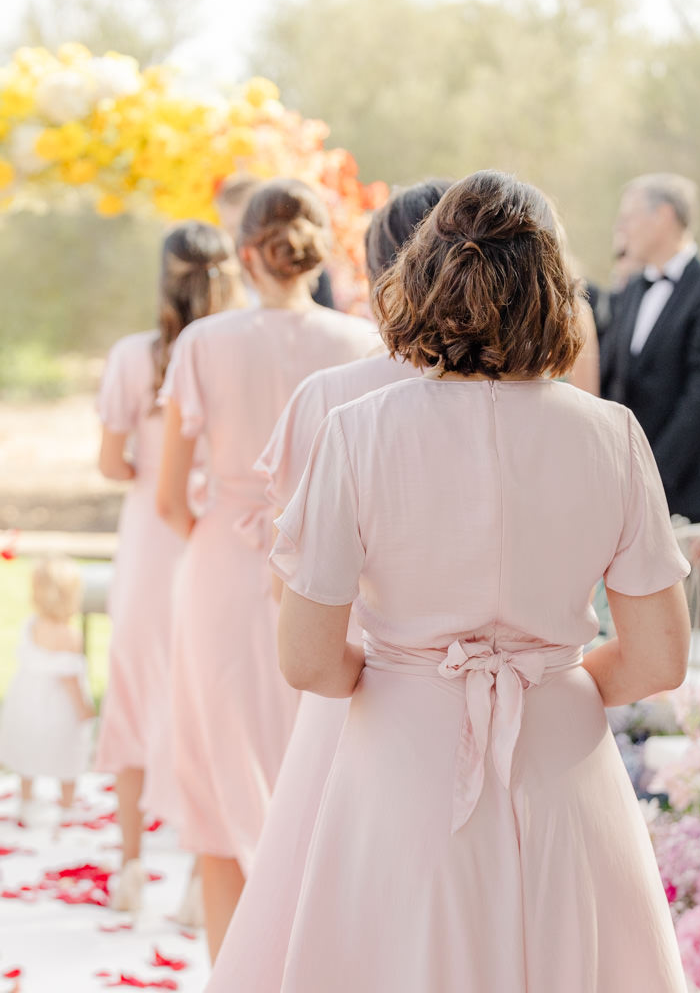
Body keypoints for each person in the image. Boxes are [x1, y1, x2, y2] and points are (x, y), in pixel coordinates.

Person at [272, 171, 692, 991]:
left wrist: (407, 675)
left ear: (420, 283)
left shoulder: (356, 432)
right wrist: (552, 677)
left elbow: (310, 662)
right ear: (553, 294)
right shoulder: (612, 435)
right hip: (566, 761)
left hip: (402, 756)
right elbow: (658, 660)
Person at [205, 178, 447, 993]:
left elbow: (296, 589)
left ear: (383, 274)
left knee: (326, 910)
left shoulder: (332, 397)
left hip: (356, 686)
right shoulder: (549, 409)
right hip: (494, 699)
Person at [156, 178, 375, 960]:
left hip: (221, 563)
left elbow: (169, 497)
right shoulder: (364, 344)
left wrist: (224, 533)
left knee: (219, 785)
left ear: (245, 251)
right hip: (328, 578)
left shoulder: (203, 344)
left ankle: (232, 974)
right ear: (317, 249)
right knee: (318, 777)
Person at [94, 220, 243, 912]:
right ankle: (198, 876)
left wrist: (146, 463)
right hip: (218, 530)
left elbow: (108, 462)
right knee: (208, 694)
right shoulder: (238, 352)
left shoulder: (134, 356)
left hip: (151, 538)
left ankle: (128, 867)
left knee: (134, 685)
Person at [602, 173, 700, 523]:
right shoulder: (632, 290)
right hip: (629, 483)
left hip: (685, 488)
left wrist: (655, 475)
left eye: (629, 217)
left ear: (662, 216)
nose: (622, 227)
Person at [0, 554, 96, 821]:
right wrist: (84, 709)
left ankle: (27, 799)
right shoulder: (69, 635)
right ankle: (67, 803)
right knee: (67, 754)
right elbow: (69, 678)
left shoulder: (31, 625)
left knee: (29, 748)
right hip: (58, 709)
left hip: (27, 703)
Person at [215, 173, 336, 309]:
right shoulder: (220, 278)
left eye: (242, 228)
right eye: (229, 228)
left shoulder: (311, 276)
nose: (236, 238)